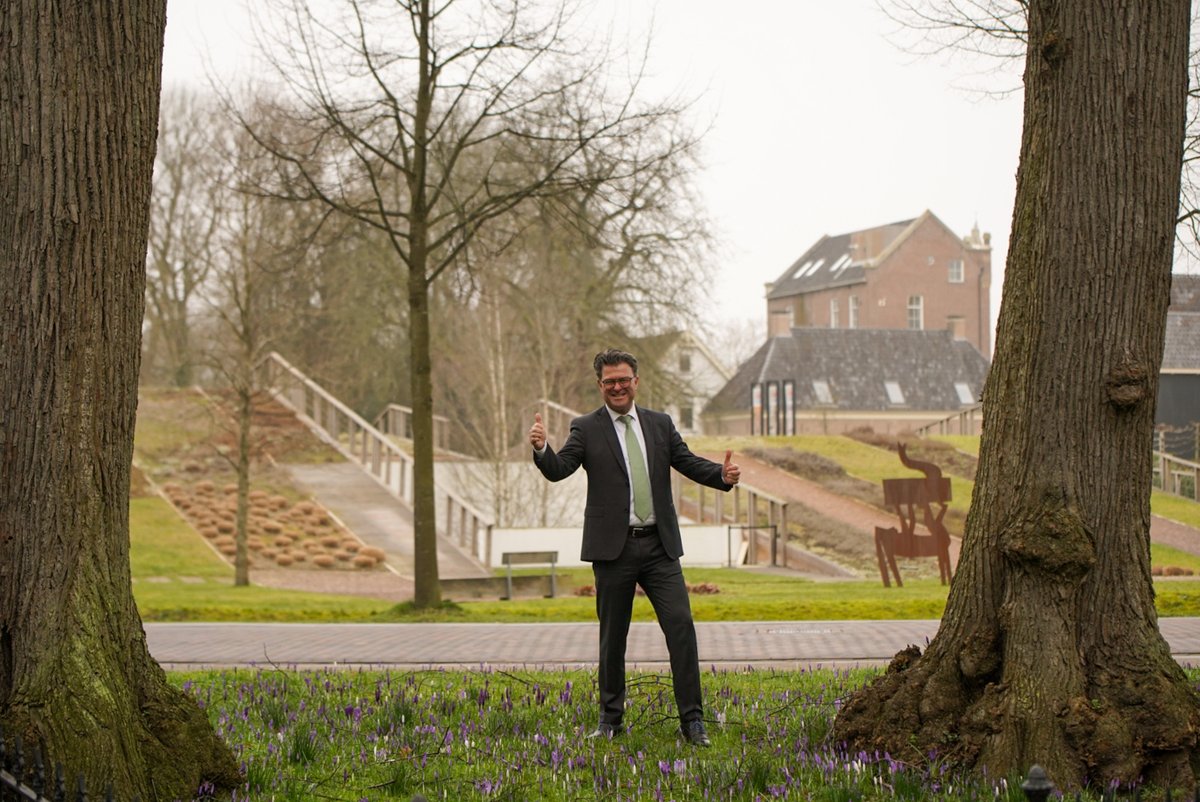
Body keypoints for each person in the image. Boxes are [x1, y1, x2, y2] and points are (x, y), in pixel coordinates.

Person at [529, 348, 740, 747]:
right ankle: (610, 721)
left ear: (636, 381)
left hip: (660, 548)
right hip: (613, 550)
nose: (618, 387)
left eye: (624, 379)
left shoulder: (660, 425)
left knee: (681, 629)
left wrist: (723, 476)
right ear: (600, 386)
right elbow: (560, 471)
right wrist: (542, 449)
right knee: (613, 638)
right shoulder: (586, 428)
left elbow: (689, 462)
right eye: (609, 381)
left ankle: (692, 722)